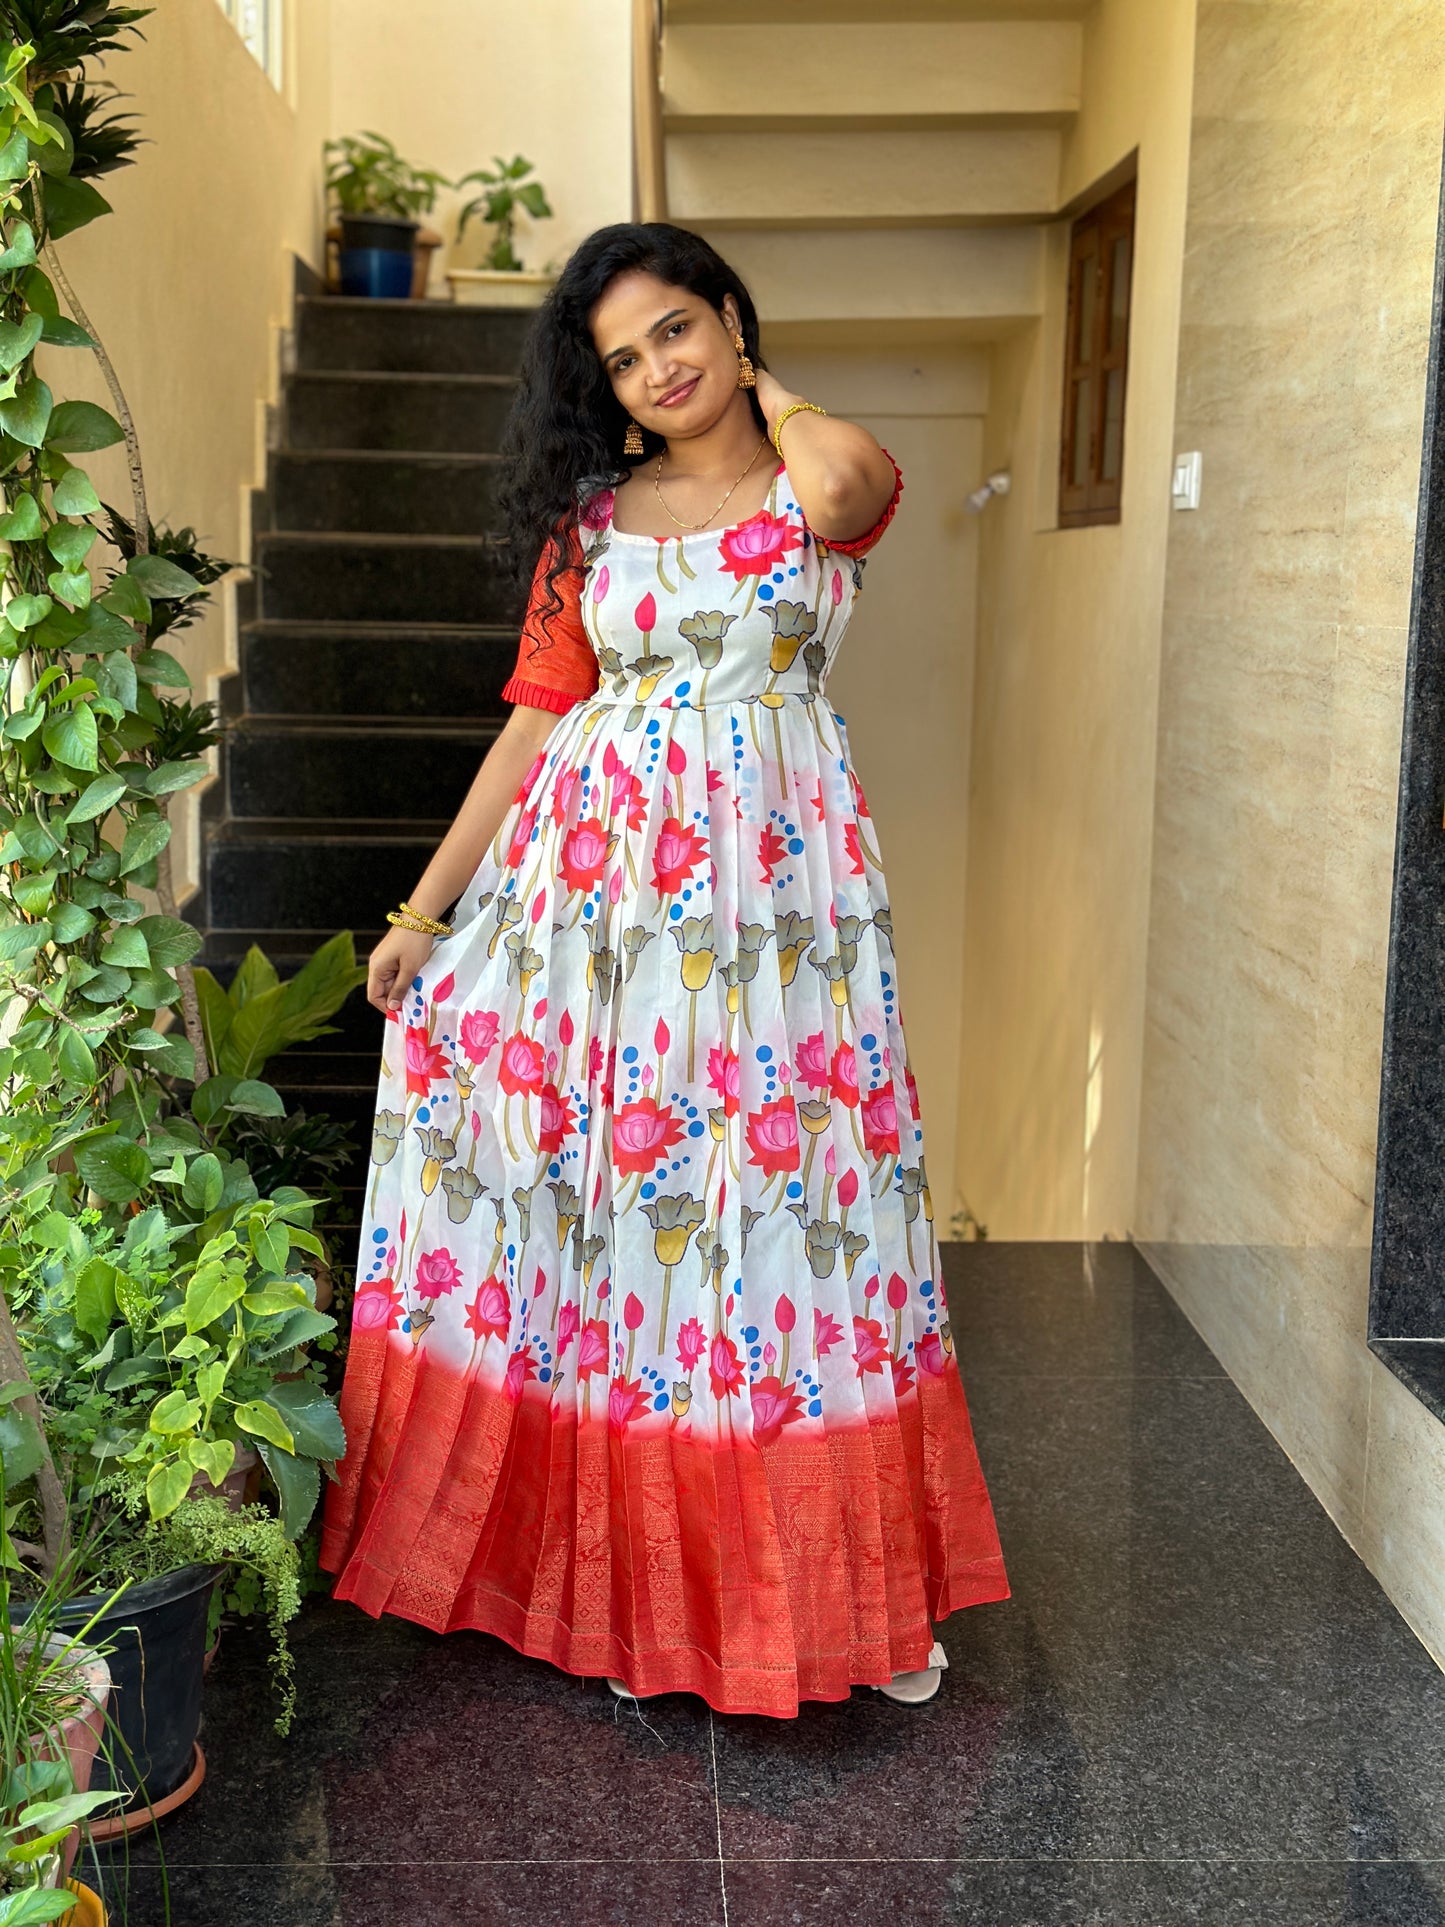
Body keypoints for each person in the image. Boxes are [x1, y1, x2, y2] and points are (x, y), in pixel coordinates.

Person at [319, 221, 1009, 1715]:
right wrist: (426, 914)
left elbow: (847, 484)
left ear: (730, 320)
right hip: (595, 920)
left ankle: (846, 1603)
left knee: (797, 1217)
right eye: (623, 361)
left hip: (782, 916)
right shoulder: (589, 525)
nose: (657, 372)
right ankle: (645, 1600)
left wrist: (768, 390)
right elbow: (532, 723)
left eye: (677, 330)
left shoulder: (814, 481)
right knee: (637, 1239)